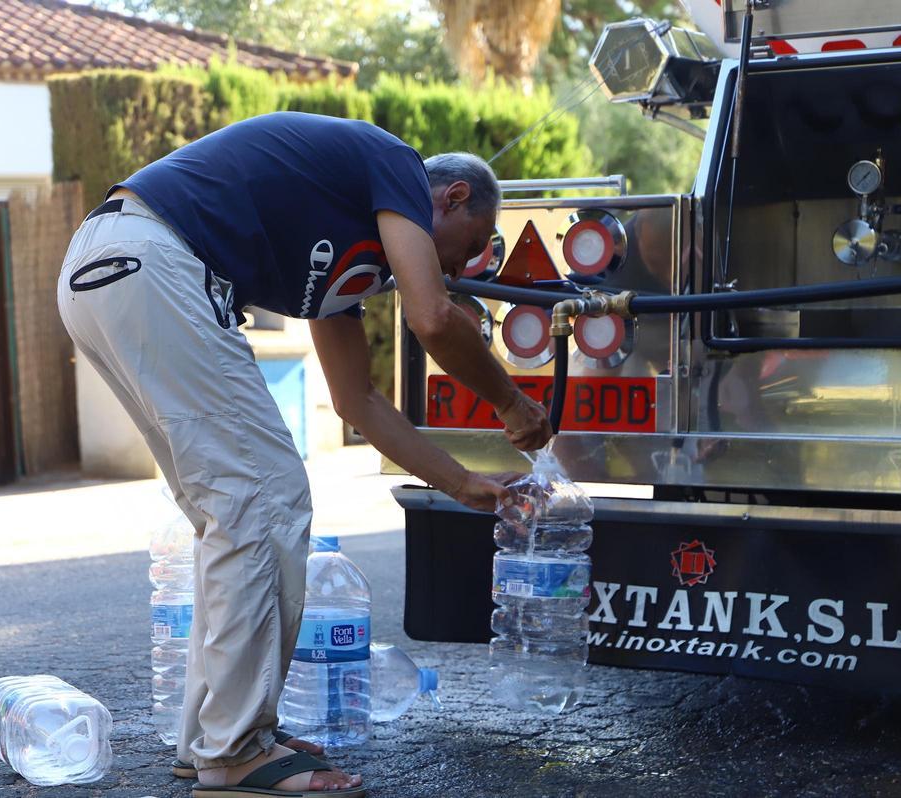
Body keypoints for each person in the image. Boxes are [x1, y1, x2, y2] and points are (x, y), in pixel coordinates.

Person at [56, 112, 551, 798]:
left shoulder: (344, 256)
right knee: (263, 499)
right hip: (152, 257)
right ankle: (235, 753)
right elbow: (434, 317)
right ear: (453, 197)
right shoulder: (399, 166)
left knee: (232, 515)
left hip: (105, 268)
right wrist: (512, 404)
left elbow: (358, 402)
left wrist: (461, 481)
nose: (465, 267)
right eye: (471, 246)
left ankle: (213, 736)